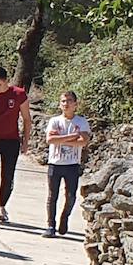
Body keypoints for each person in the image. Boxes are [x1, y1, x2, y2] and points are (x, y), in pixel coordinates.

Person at [0, 64, 32, 223]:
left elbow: (27, 119)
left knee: (7, 176)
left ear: (6, 81)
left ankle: (2, 206)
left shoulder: (18, 94)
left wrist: (25, 141)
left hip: (11, 140)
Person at [43, 91, 91, 237]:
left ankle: (64, 217)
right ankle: (51, 225)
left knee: (71, 196)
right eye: (63, 101)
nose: (66, 103)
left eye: (69, 101)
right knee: (52, 195)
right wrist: (72, 136)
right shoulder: (54, 121)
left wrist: (61, 138)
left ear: (75, 104)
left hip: (72, 164)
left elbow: (83, 141)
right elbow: (50, 140)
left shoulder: (81, 122)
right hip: (55, 163)